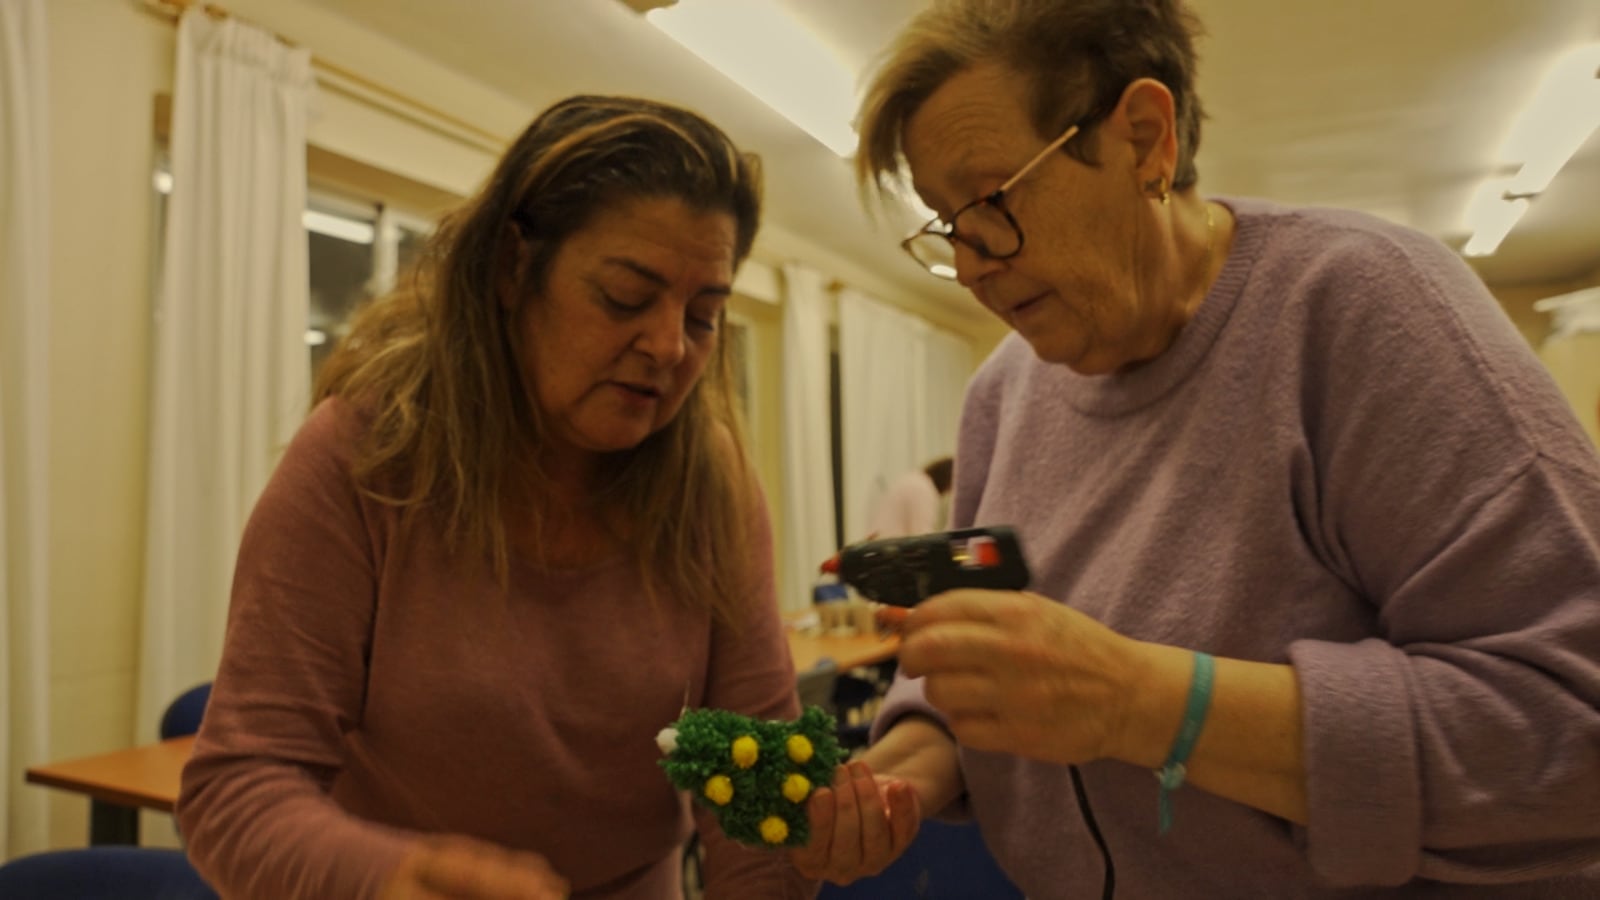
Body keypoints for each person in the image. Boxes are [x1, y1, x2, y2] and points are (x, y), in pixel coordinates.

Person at [791, 1, 1600, 897]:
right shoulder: (1004, 392)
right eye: (946, 223)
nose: (974, 262)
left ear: (1145, 139)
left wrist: (1143, 704)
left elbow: (1569, 724)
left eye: (988, 200)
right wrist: (907, 764)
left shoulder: (1365, 307)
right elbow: (976, 663)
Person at [177, 95, 816, 900]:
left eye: (703, 316)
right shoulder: (368, 455)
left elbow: (751, 772)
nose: (666, 346)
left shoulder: (710, 483)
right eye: (624, 297)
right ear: (515, 267)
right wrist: (393, 877)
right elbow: (237, 787)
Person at [865, 456, 954, 539]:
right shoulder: (923, 488)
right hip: (890, 548)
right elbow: (922, 536)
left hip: (881, 544)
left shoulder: (916, 480)